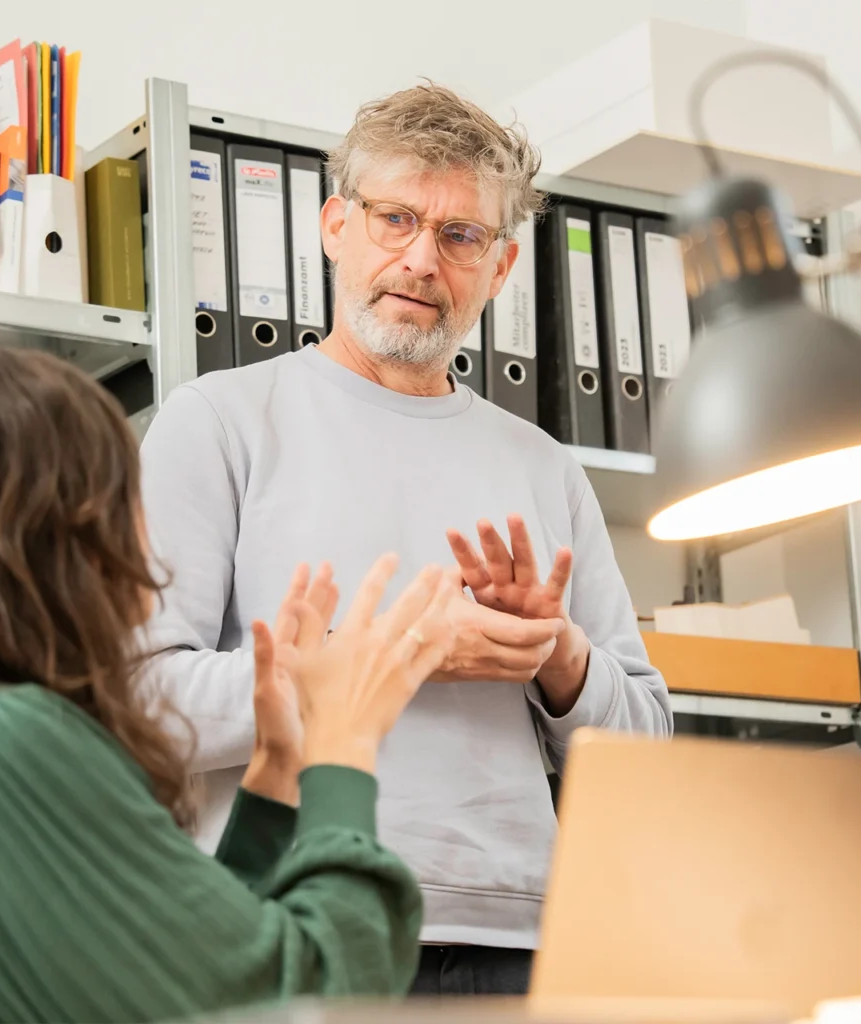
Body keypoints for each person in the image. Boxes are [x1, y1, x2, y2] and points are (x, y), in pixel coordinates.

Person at [140, 82, 672, 996]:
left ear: (500, 270)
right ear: (335, 226)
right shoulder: (217, 422)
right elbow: (143, 703)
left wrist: (558, 655)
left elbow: (649, 745)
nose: (422, 260)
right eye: (396, 219)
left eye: (460, 236)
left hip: (522, 942)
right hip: (289, 925)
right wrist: (399, 647)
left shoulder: (545, 467)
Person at [0, 347, 459, 1023]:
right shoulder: (1, 747)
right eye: (127, 493)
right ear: (67, 531)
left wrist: (280, 771)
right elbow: (299, 1001)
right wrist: (345, 747)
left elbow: (174, 968)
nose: (146, 537)